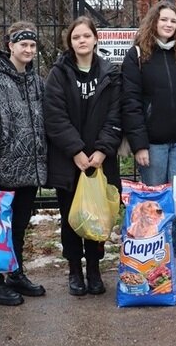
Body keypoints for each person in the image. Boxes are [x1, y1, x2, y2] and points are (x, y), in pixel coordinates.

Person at [121, 1, 176, 257]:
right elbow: (131, 103)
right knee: (155, 206)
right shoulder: (137, 56)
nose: (169, 25)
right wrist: (139, 144)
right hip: (152, 144)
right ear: (154, 22)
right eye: (164, 20)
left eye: (173, 21)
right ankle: (157, 257)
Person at [0, 21, 49, 306]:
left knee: (18, 227)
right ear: (10, 45)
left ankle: (15, 273)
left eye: (32, 45)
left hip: (28, 170)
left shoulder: (35, 81)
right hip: (3, 171)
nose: (28, 49)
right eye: (22, 44)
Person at [47, 16, 123, 295]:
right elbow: (54, 116)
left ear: (95, 39)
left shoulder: (110, 73)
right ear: (70, 41)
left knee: (96, 216)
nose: (82, 41)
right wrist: (76, 151)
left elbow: (117, 114)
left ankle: (94, 269)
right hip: (69, 160)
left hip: (100, 160)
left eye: (86, 36)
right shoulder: (58, 73)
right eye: (76, 37)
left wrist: (102, 150)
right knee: (71, 216)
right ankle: (74, 271)